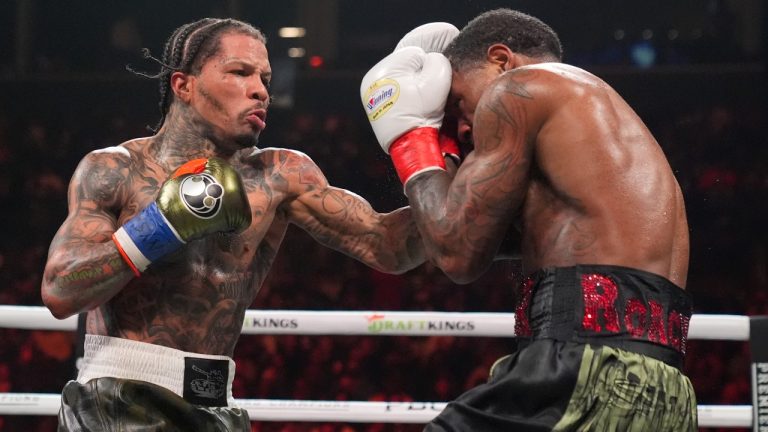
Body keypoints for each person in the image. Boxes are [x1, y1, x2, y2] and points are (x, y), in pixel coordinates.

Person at [41, 18, 425, 431]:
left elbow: (389, 246)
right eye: (239, 72)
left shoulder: (279, 175)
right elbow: (61, 290)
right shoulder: (115, 169)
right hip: (119, 398)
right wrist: (160, 226)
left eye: (264, 77)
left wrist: (437, 158)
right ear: (183, 85)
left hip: (216, 405)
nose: (260, 90)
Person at [361, 9, 696, 431]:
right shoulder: (594, 129)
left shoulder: (519, 89)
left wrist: (414, 138)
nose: (462, 129)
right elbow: (444, 234)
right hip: (662, 387)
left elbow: (456, 252)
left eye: (458, 106)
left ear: (501, 60)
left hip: (581, 367)